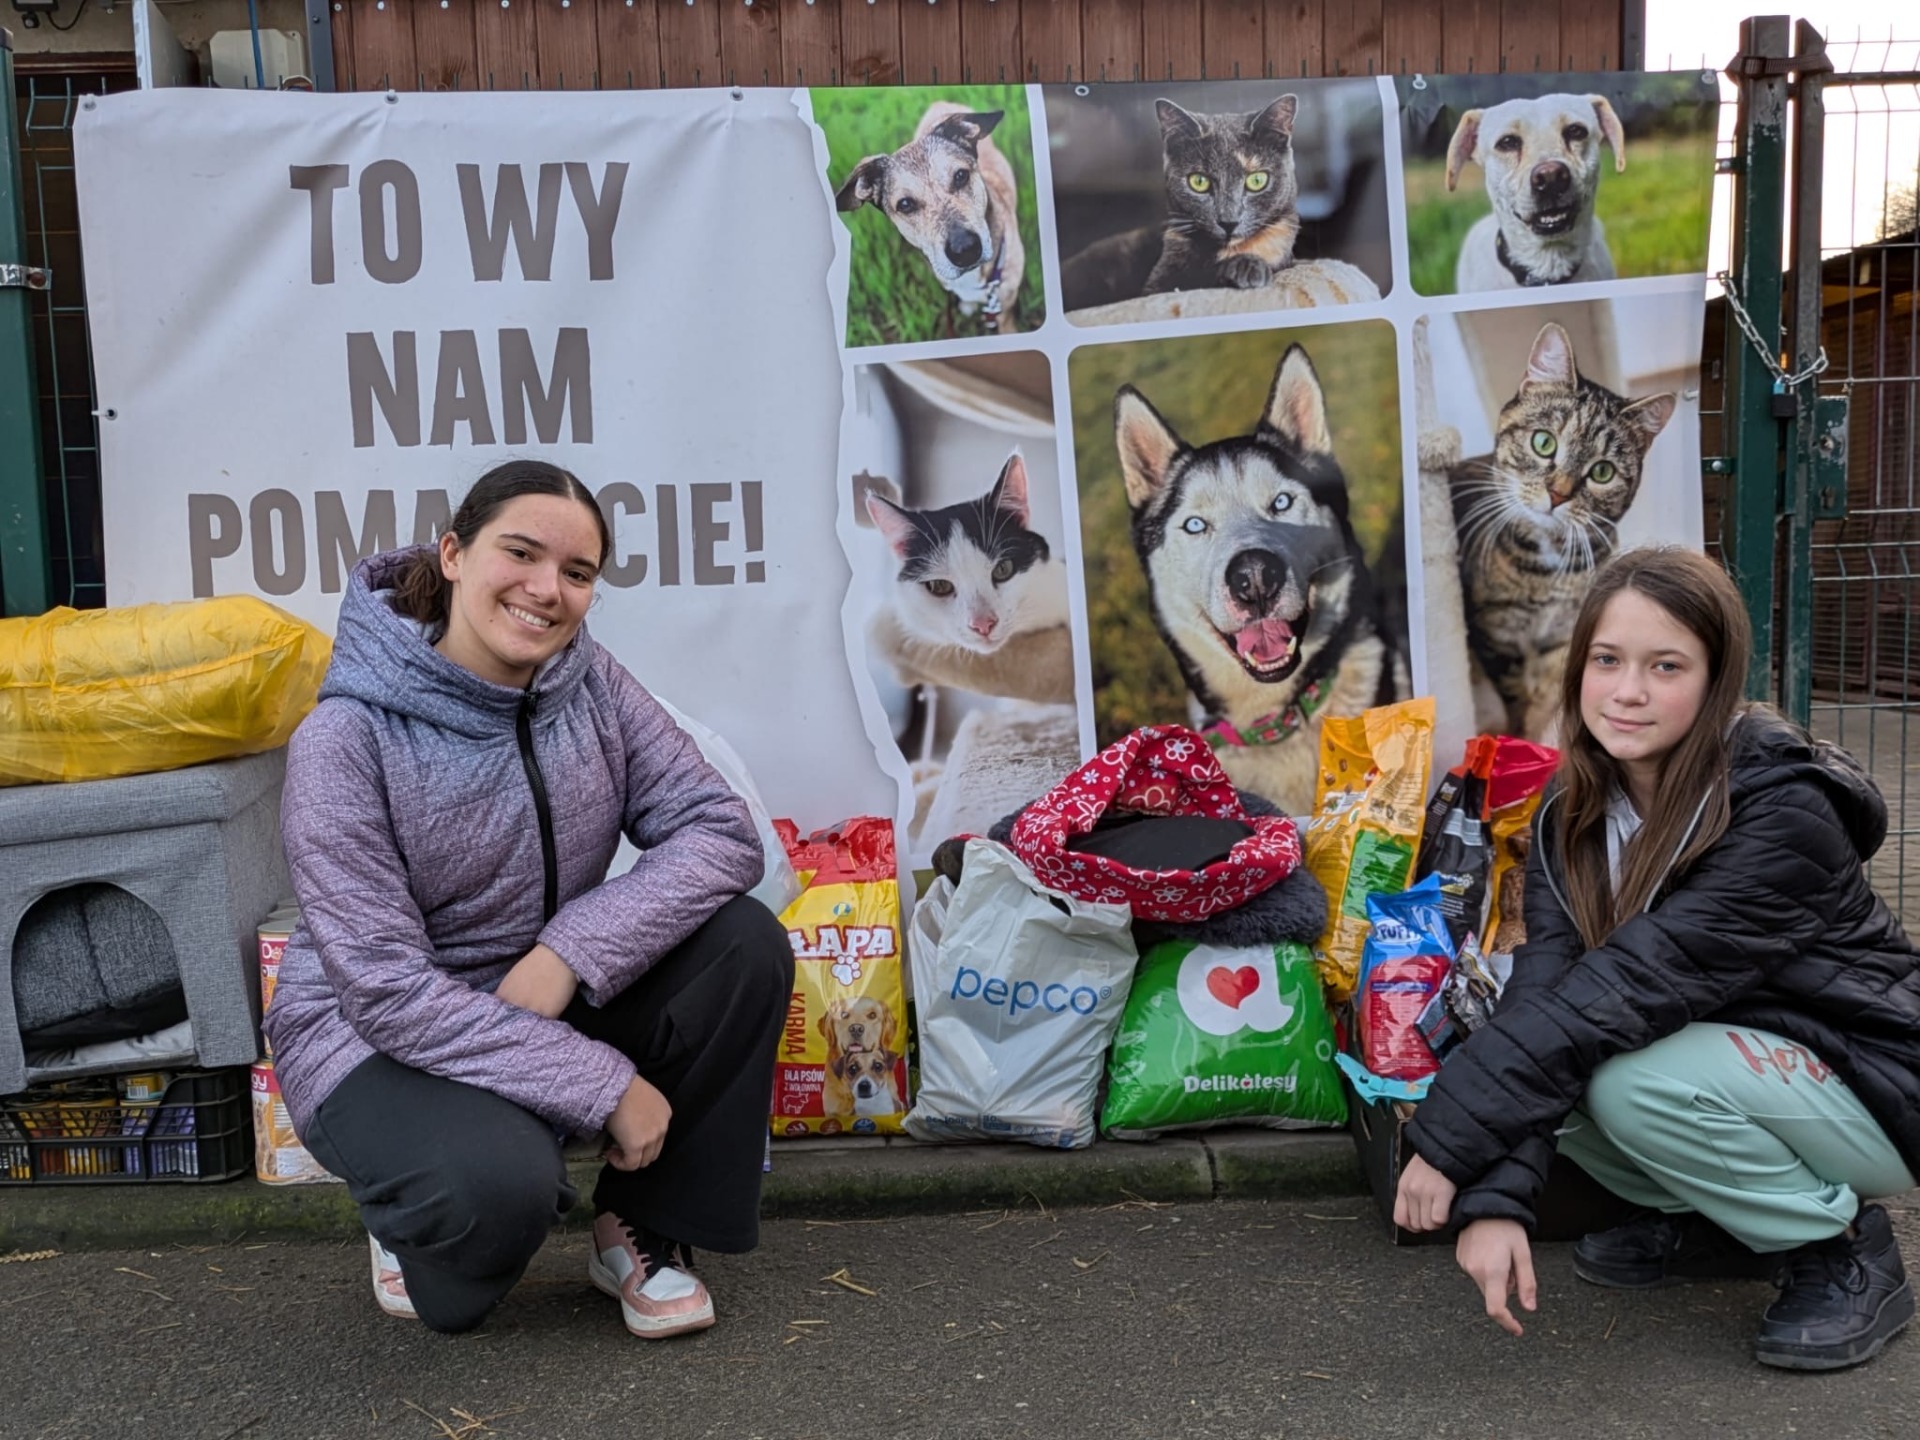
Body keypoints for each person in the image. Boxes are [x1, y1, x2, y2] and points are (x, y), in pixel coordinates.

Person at [264, 460, 795, 1339]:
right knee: (496, 1192)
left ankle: (643, 1228)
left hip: (535, 992)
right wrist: (604, 1083)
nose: (547, 590)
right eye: (521, 553)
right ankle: (410, 1218)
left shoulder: (591, 685)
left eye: (578, 574)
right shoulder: (344, 738)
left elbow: (720, 833)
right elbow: (386, 990)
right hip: (373, 1038)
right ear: (454, 554)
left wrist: (569, 955)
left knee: (744, 944)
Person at [1393, 545, 1920, 1371]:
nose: (1628, 691)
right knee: (1539, 1050)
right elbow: (1546, 1000)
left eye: (1665, 665)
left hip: (1876, 1081)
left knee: (1624, 1078)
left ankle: (1841, 1248)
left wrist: (1450, 1146)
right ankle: (1726, 1223)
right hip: (1749, 1063)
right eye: (1607, 659)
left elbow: (1613, 995)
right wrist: (1495, 1201)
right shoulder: (1570, 811)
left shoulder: (1782, 818)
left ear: (1715, 681)